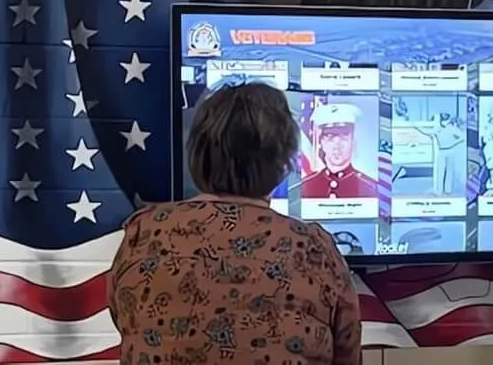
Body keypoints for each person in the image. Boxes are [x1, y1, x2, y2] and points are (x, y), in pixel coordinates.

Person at [107, 83, 362, 365]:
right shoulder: (314, 248)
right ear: (282, 165)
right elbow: (347, 356)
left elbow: (129, 324)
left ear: (198, 153)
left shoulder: (143, 235)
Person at [301, 103, 379, 199]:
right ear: (321, 142)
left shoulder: (371, 188)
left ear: (352, 141)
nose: (336, 146)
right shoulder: (305, 186)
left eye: (344, 136)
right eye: (329, 137)